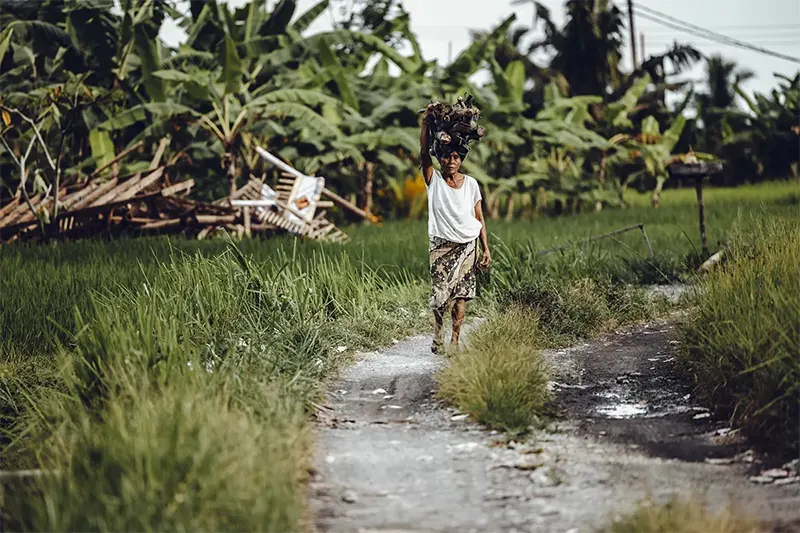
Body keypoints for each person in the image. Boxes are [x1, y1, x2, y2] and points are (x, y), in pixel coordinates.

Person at [420, 106, 491, 354]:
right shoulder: (434, 180)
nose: (451, 162)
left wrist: (486, 249)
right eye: (447, 157)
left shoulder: (471, 184)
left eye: (455, 158)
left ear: (461, 160)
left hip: (468, 245)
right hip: (441, 245)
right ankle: (439, 334)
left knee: (461, 295)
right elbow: (423, 154)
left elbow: (479, 217)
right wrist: (425, 124)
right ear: (440, 159)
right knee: (440, 295)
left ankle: (455, 342)